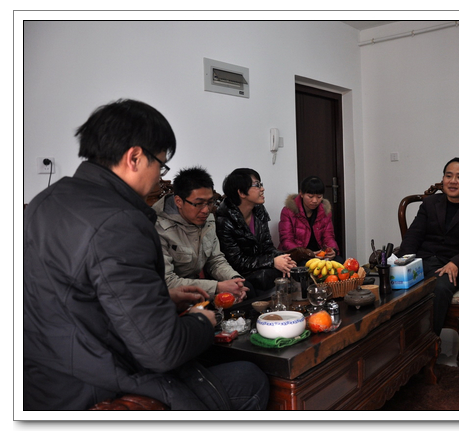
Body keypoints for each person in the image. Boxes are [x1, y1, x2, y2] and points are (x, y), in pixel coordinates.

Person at [23, 99, 269, 410]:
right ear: (135, 157)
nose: (158, 177)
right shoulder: (121, 222)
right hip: (99, 385)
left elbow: (81, 298)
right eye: (161, 165)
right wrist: (202, 321)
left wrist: (163, 299)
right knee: (250, 376)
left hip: (42, 380)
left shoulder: (44, 202)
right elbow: (162, 350)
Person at [397, 157, 459, 336]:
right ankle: (400, 340)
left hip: (450, 267)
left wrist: (456, 262)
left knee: (439, 288)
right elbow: (413, 235)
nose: (453, 181)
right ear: (443, 179)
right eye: (449, 176)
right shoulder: (430, 203)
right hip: (422, 261)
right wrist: (405, 262)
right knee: (392, 281)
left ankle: (429, 341)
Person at [153, 166, 254, 301]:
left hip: (200, 289)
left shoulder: (207, 221)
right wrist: (217, 287)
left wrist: (235, 280)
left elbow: (215, 260)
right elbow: (168, 281)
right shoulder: (157, 227)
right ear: (179, 201)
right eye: (199, 204)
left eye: (210, 202)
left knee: (248, 289)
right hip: (170, 298)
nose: (206, 210)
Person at [215, 168, 296, 292]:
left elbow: (267, 246)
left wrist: (284, 259)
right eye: (257, 185)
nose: (262, 189)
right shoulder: (224, 220)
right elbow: (236, 262)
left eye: (261, 184)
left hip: (260, 266)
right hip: (238, 273)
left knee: (296, 267)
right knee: (268, 278)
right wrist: (272, 261)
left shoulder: (259, 210)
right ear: (241, 193)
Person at [278, 175, 342, 264]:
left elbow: (328, 236)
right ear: (301, 193)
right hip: (298, 254)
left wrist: (332, 250)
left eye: (319, 197)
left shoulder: (325, 211)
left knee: (339, 262)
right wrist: (306, 253)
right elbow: (286, 240)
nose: (315, 201)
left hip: (319, 254)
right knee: (305, 266)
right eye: (310, 196)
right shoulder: (288, 211)